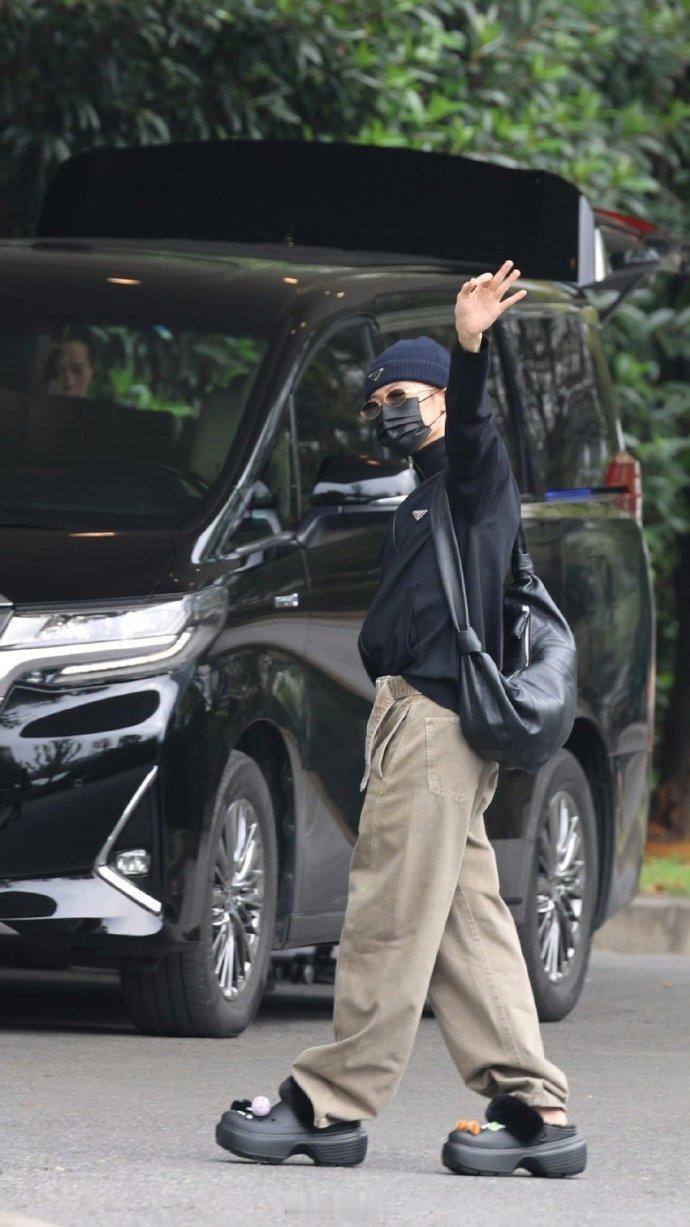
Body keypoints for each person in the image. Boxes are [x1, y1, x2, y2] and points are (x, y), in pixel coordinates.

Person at [215, 260, 587, 1177]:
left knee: (385, 918)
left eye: (407, 396)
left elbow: (477, 435)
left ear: (443, 400)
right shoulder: (421, 498)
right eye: (379, 399)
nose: (391, 410)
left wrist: (469, 347)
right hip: (420, 726)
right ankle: (539, 1112)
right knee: (469, 925)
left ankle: (327, 1104)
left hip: (433, 728)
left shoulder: (470, 484)